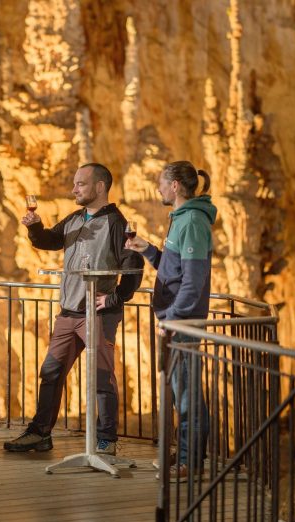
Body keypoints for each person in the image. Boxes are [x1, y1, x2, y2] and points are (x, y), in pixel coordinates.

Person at [3, 163, 143, 454]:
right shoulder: (75, 218)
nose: (74, 189)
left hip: (98, 315)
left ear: (100, 187)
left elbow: (133, 264)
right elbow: (50, 241)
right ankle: (40, 433)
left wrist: (115, 299)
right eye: (75, 183)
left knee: (101, 378)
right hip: (68, 314)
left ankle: (106, 440)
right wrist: (34, 226)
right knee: (51, 372)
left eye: (80, 184)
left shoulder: (116, 222)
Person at [125, 160, 217, 480]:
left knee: (188, 394)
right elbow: (174, 269)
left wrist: (173, 318)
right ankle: (188, 456)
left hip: (183, 323)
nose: (158, 188)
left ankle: (191, 464)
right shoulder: (181, 219)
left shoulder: (191, 220)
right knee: (182, 393)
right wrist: (147, 249)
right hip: (177, 320)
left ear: (175, 185)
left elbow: (192, 283)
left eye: (161, 183)